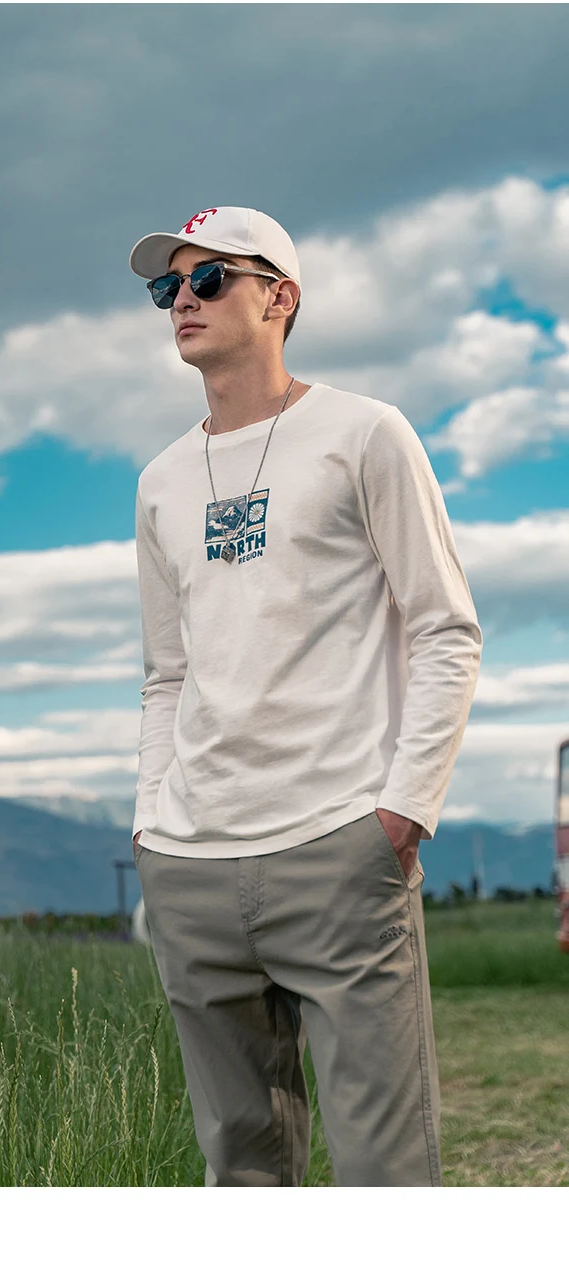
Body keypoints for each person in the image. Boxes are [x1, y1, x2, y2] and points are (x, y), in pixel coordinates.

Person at [127, 205, 482, 1186]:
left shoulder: (364, 434)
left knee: (383, 1171)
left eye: (209, 278)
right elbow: (167, 671)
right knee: (241, 1169)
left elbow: (444, 627)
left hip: (338, 844)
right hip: (191, 862)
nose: (182, 299)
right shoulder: (160, 480)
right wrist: (150, 820)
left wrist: (402, 809)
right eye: (166, 286)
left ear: (279, 296)